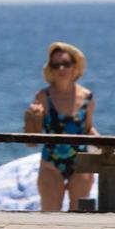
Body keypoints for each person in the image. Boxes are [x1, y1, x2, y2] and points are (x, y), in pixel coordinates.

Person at [27, 41, 95, 211]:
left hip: (80, 163)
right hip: (51, 163)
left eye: (66, 64)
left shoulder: (87, 97)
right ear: (50, 69)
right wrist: (31, 117)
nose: (61, 69)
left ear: (74, 67)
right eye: (56, 65)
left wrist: (108, 145)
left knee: (80, 215)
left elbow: (88, 129)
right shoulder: (43, 96)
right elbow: (31, 140)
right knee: (50, 215)